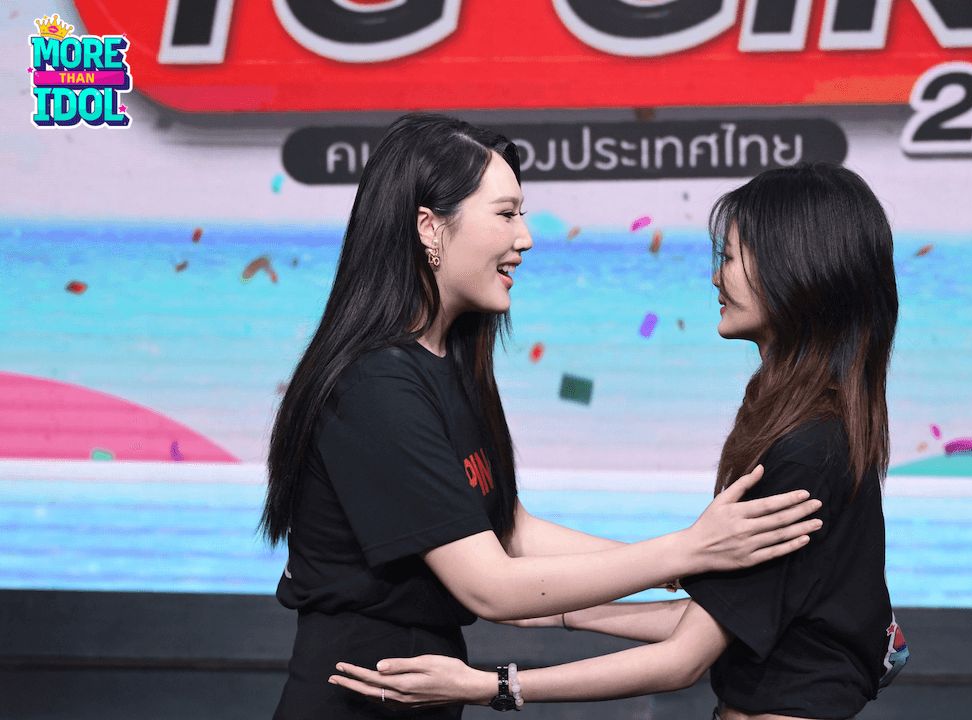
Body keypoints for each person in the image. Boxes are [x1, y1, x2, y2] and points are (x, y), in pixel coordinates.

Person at [262, 113, 825, 720]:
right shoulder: (376, 385)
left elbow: (511, 531)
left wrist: (684, 572)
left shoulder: (451, 363)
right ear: (429, 227)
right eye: (506, 214)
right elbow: (490, 587)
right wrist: (688, 552)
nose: (525, 238)